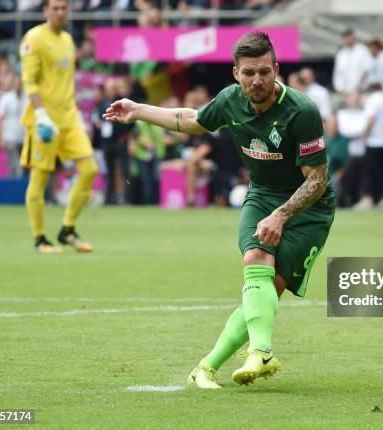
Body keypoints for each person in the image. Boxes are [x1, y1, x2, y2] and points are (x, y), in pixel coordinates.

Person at [104, 31, 335, 388]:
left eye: (263, 71)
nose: (257, 79)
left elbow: (317, 181)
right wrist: (138, 111)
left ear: (276, 69)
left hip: (310, 209)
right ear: (235, 74)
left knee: (268, 291)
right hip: (261, 195)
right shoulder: (230, 101)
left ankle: (206, 367)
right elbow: (192, 120)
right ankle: (262, 351)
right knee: (255, 258)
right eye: (248, 72)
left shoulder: (301, 111)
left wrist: (282, 215)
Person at [19, 0, 98, 253]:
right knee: (40, 178)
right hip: (44, 121)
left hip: (69, 118)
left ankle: (67, 230)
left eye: (64, 8)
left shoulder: (67, 39)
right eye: (55, 8)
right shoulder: (34, 38)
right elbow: (29, 81)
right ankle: (39, 238)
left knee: (89, 169)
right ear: (45, 11)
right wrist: (41, 114)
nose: (61, 12)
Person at [353, 82, 383, 210]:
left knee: (369, 172)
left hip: (374, 141)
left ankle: (368, 198)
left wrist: (364, 134)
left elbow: (371, 119)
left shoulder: (373, 100)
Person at [332, 28, 370, 94]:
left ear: (354, 37)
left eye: (349, 37)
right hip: (345, 92)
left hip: (360, 91)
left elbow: (366, 70)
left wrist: (358, 88)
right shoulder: (341, 54)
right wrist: (339, 88)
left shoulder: (363, 50)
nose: (348, 39)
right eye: (345, 37)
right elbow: (338, 73)